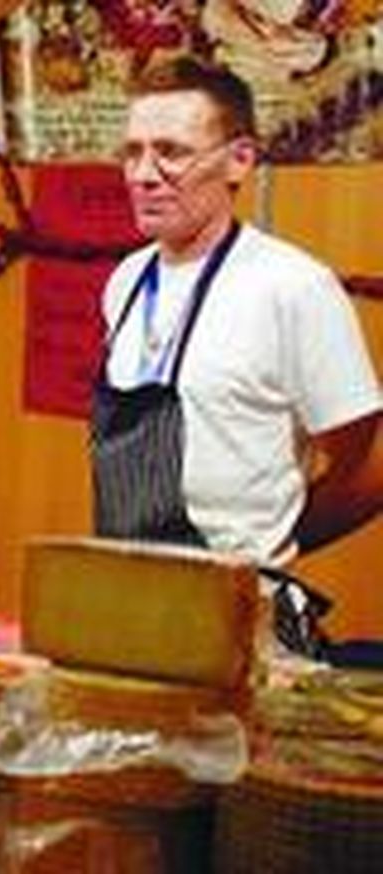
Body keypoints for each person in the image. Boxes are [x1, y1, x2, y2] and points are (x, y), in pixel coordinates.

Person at [93, 57, 381, 604]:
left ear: (239, 160)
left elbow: (369, 468)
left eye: (171, 152)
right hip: (128, 606)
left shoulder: (292, 286)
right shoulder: (126, 282)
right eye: (132, 152)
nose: (143, 174)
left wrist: (269, 553)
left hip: (240, 616)